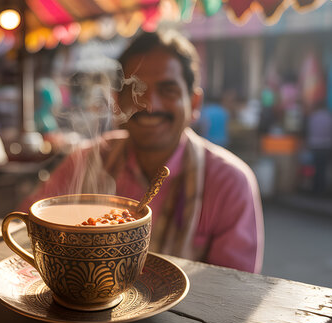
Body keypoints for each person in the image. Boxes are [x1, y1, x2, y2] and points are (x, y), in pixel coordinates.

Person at [21, 30, 264, 273]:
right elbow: (26, 229)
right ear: (117, 101)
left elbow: (232, 291)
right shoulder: (87, 161)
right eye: (135, 89)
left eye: (168, 90)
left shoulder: (230, 183)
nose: (149, 105)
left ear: (194, 103)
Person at [305, 101, 332, 193]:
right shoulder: (329, 117)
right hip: (326, 145)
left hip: (315, 145)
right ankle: (322, 187)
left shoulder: (313, 117)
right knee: (323, 167)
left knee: (315, 167)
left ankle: (315, 187)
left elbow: (309, 130)